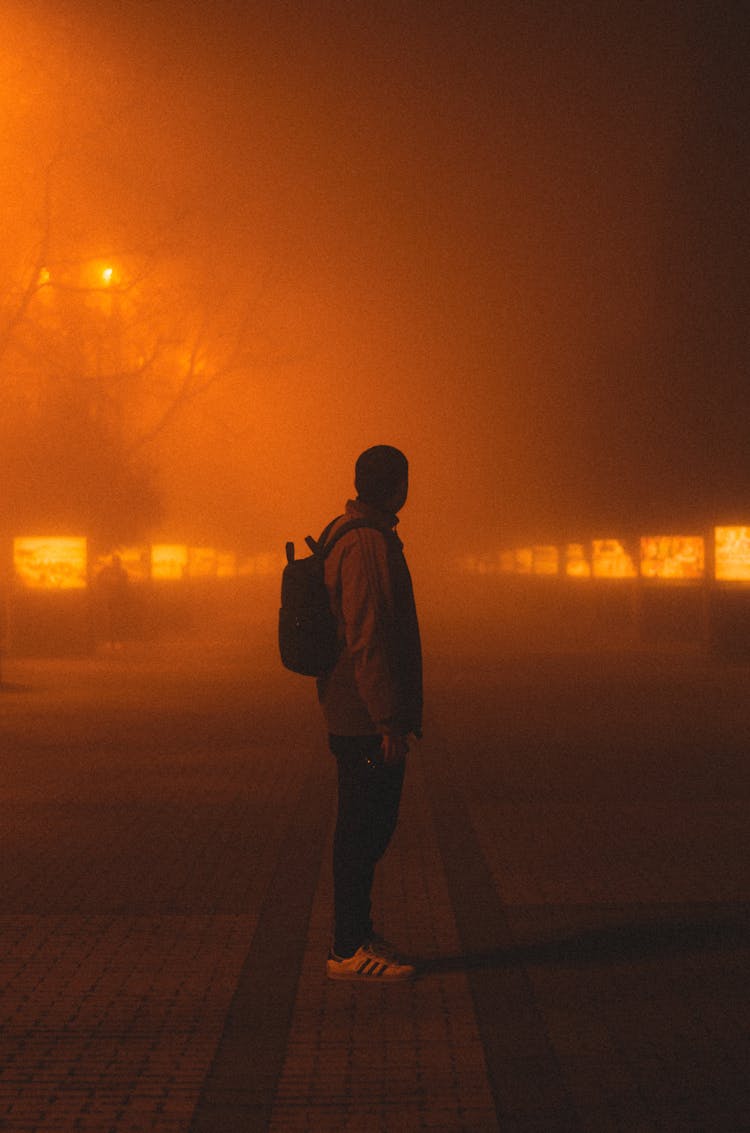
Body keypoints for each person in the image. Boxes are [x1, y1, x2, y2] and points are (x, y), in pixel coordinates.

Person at [318, 445, 423, 981]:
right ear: (396, 485)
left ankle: (358, 931)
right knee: (363, 828)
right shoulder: (364, 544)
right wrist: (387, 719)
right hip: (363, 714)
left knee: (369, 824)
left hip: (357, 708)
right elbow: (369, 635)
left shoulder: (354, 531)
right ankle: (347, 947)